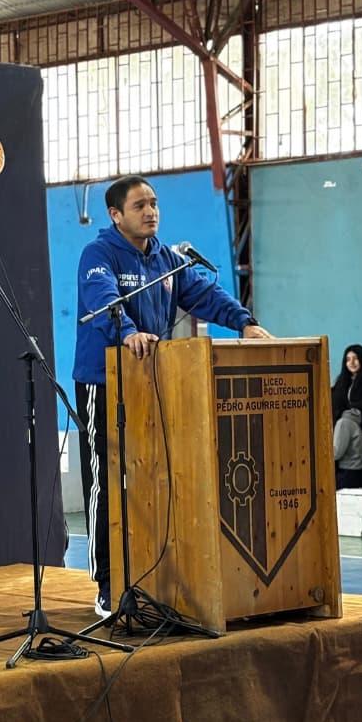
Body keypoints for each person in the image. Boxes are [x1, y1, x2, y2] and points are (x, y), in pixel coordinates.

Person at [73, 175, 272, 617]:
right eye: (140, 205)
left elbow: (205, 294)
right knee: (108, 481)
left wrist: (245, 322)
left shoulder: (167, 260)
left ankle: (151, 576)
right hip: (104, 382)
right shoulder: (98, 254)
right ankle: (108, 583)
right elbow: (105, 302)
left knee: (152, 479)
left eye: (154, 203)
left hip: (154, 379)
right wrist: (128, 332)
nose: (151, 212)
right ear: (115, 215)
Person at [333, 406, 362, 488]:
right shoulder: (354, 422)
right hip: (358, 473)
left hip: (347, 473)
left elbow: (336, 453)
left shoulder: (343, 423)